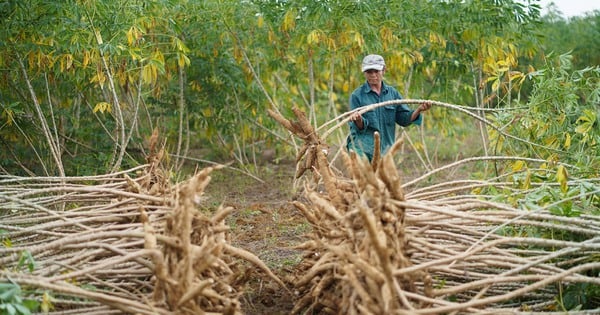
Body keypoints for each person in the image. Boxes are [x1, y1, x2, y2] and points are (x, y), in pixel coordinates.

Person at [346, 54, 432, 161]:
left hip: (385, 149)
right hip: (362, 148)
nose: (373, 75)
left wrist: (419, 109)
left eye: (376, 71)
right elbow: (358, 127)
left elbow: (404, 119)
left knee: (383, 177)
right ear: (365, 73)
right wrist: (358, 119)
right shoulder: (357, 96)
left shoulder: (392, 94)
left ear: (384, 70)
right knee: (363, 173)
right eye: (369, 72)